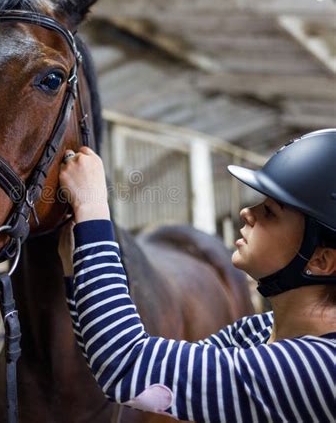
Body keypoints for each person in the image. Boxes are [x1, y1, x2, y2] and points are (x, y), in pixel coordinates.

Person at [57, 128, 336, 422]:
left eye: (270, 212)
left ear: (321, 260)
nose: (246, 212)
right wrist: (74, 276)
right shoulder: (258, 332)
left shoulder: (320, 369)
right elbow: (144, 387)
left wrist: (93, 208)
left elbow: (129, 364)